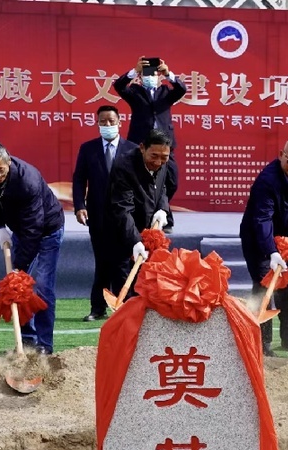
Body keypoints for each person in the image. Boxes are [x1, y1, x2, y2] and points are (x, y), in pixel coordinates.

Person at [0, 141, 65, 355]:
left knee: (42, 286)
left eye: (0, 170)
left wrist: (18, 267)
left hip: (47, 231)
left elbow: (33, 230)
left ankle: (44, 344)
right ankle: (27, 340)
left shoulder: (28, 181)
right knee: (19, 288)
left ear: (8, 161)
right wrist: (0, 227)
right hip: (21, 229)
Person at [239, 138, 288, 357]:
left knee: (284, 288)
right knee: (264, 289)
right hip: (258, 238)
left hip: (282, 238)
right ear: (281, 155)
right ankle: (263, 344)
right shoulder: (267, 181)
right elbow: (262, 221)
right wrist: (271, 252)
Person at [72, 105, 137, 322]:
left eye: (111, 121)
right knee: (102, 263)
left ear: (120, 122)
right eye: (103, 121)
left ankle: (125, 306)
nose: (107, 125)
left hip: (125, 216)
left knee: (122, 263)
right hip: (97, 214)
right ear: (97, 123)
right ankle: (98, 308)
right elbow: (79, 179)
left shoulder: (132, 149)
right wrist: (80, 206)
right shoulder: (88, 149)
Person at [114, 57, 186, 232]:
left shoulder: (165, 92)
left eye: (153, 74)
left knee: (171, 181)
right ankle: (155, 219)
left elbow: (182, 89)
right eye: (146, 74)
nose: (150, 77)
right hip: (141, 145)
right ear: (141, 76)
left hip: (164, 144)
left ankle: (161, 211)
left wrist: (168, 74)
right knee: (141, 182)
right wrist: (134, 71)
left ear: (159, 76)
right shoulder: (135, 92)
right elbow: (119, 86)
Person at [106, 129, 172, 298]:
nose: (158, 162)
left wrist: (162, 209)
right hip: (122, 232)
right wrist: (135, 241)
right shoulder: (124, 166)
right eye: (154, 156)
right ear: (142, 148)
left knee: (147, 286)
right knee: (124, 282)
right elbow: (123, 209)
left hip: (147, 229)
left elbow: (162, 188)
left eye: (164, 157)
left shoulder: (163, 161)